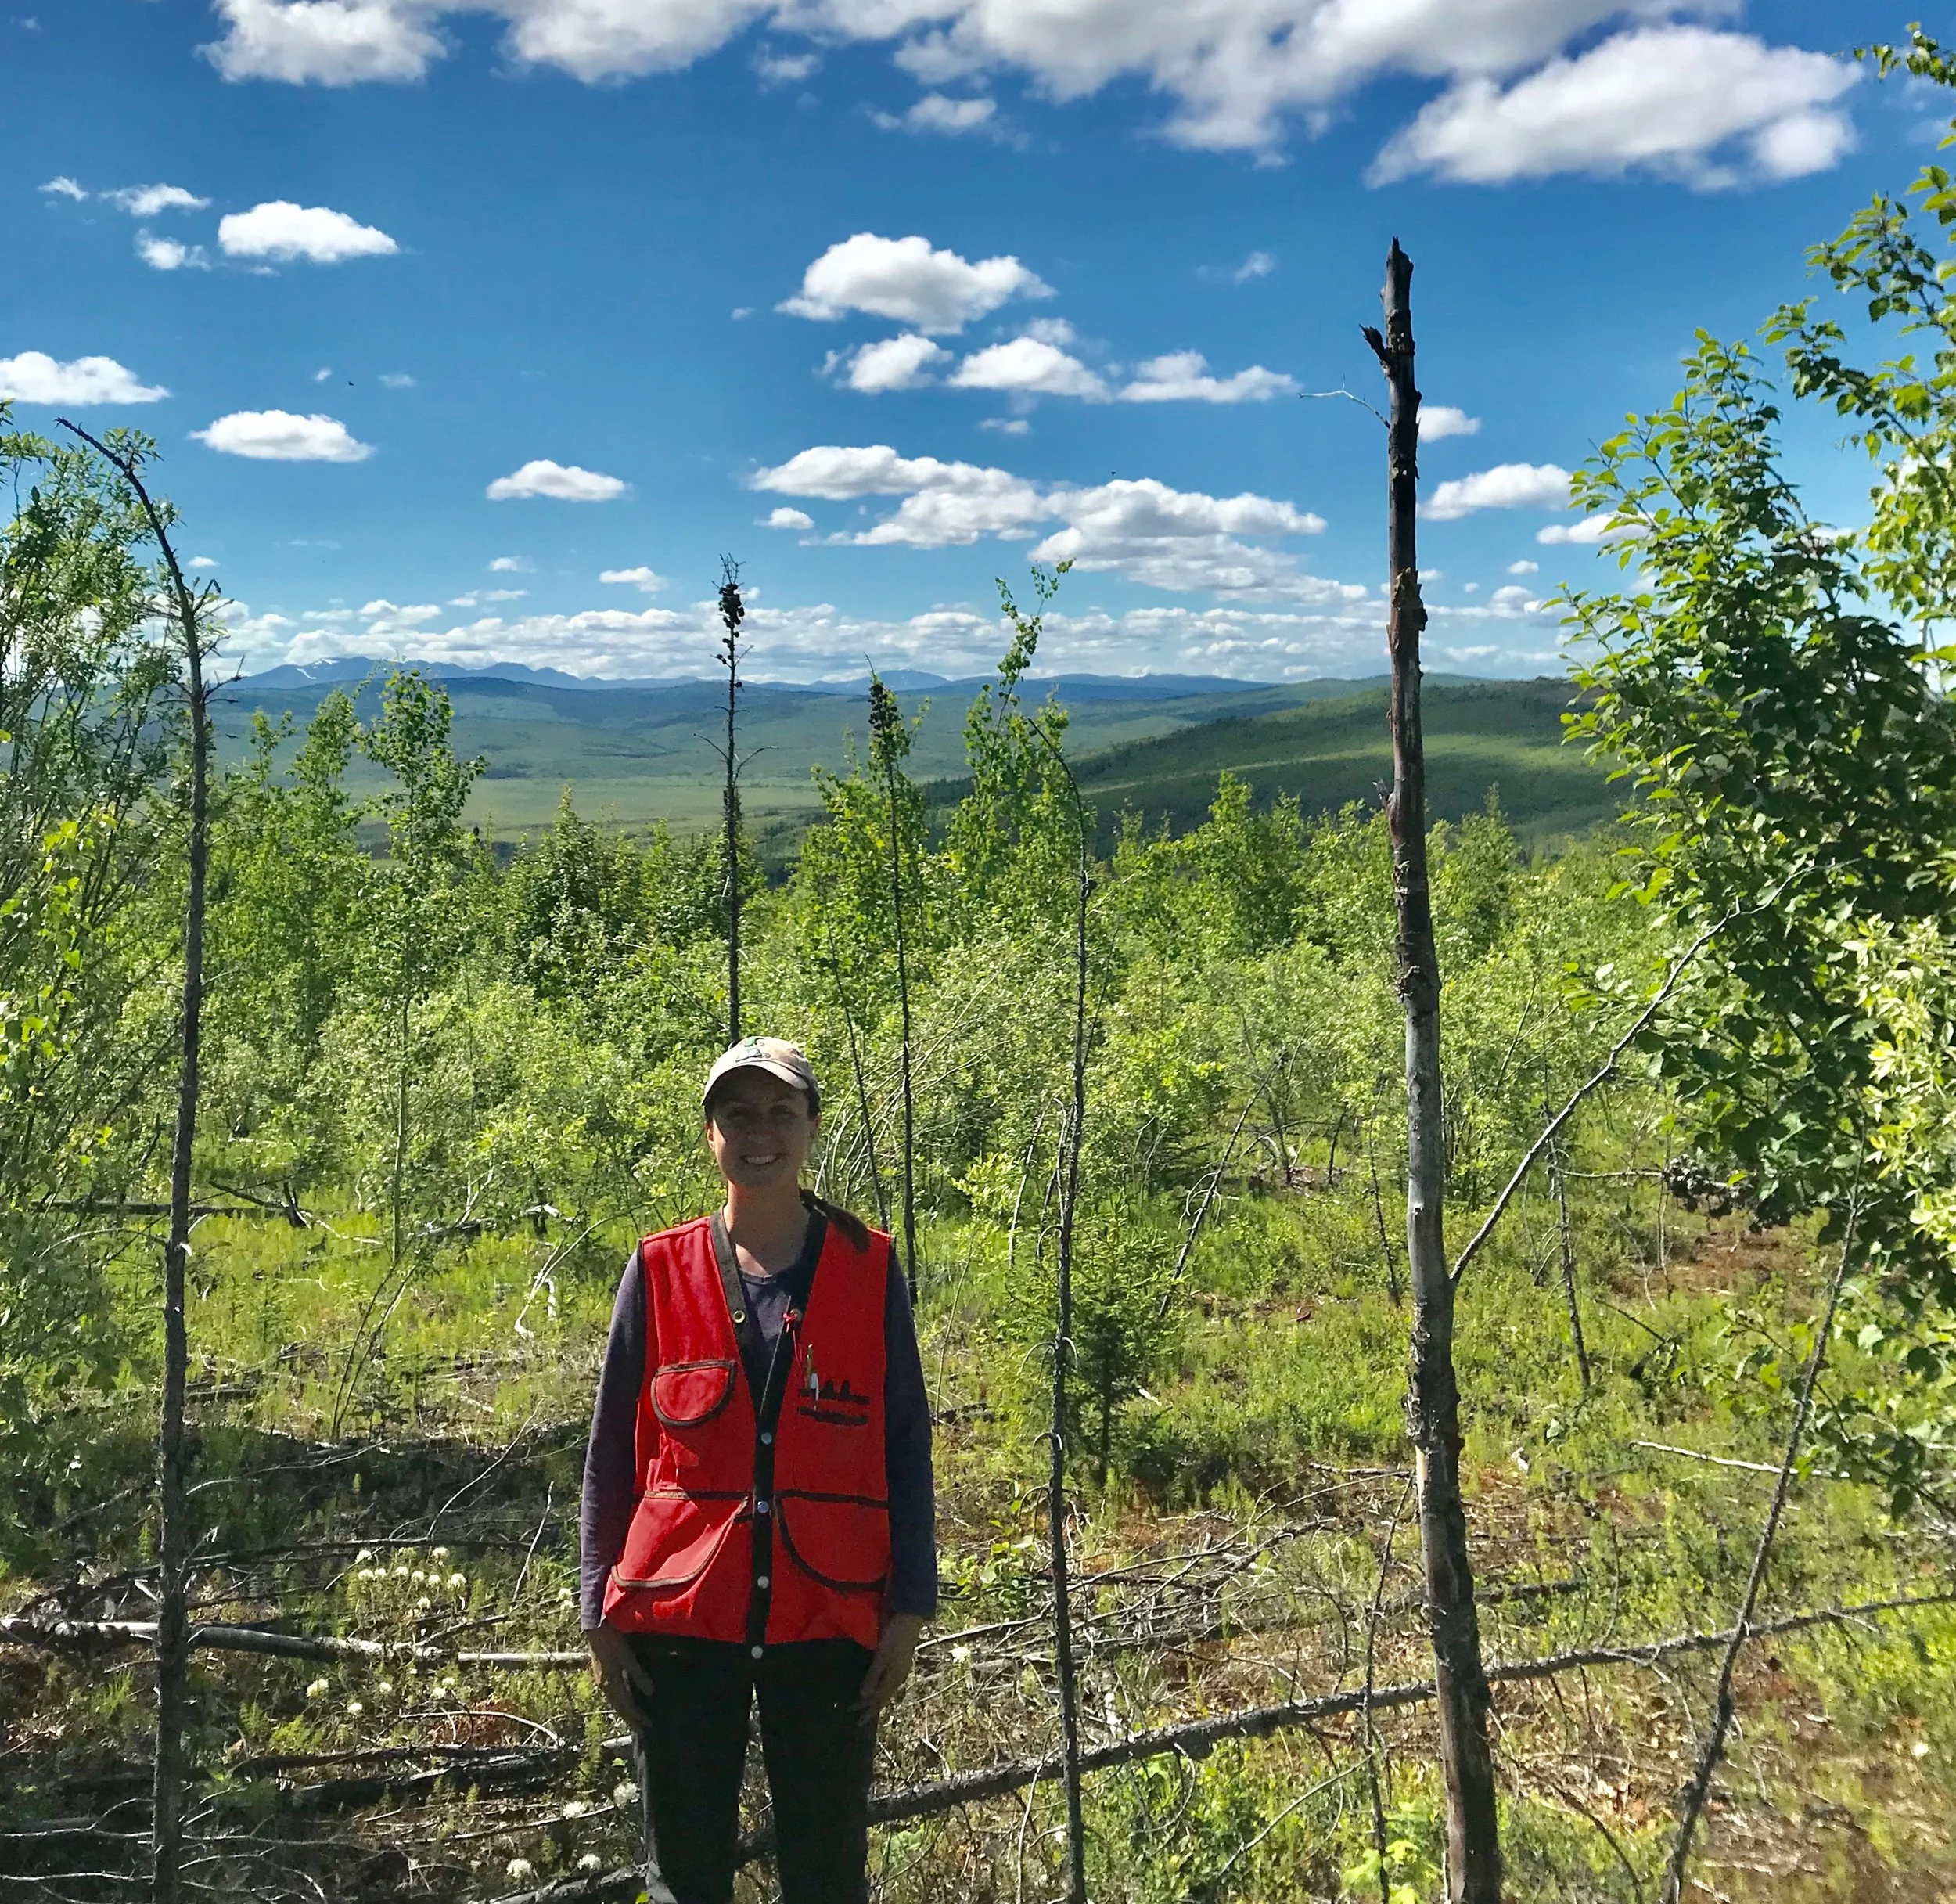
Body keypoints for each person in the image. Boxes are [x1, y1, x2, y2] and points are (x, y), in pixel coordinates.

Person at [581, 1036, 937, 1904]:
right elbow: (610, 1453)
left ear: (812, 1126)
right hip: (681, 1618)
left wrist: (910, 1607)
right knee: (684, 1876)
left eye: (781, 1112)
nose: (760, 1133)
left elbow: (905, 1443)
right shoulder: (658, 1269)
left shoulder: (868, 1268)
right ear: (710, 1133)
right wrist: (596, 1610)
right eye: (737, 1114)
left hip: (829, 1618)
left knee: (826, 1874)